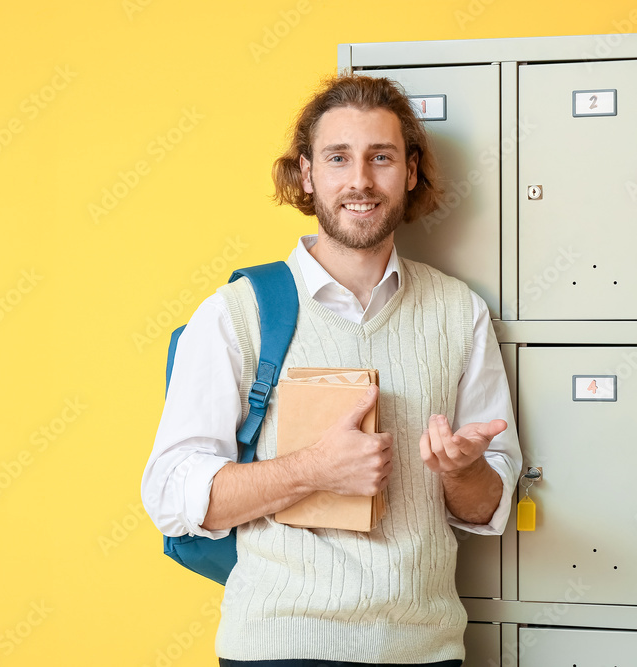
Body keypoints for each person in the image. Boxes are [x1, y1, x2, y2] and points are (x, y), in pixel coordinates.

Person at [142, 75, 522, 667]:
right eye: (338, 158)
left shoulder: (458, 311)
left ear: (411, 172)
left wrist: (462, 473)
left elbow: (487, 509)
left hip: (422, 650)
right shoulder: (238, 312)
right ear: (307, 173)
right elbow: (171, 493)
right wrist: (313, 469)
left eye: (382, 158)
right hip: (279, 647)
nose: (361, 181)